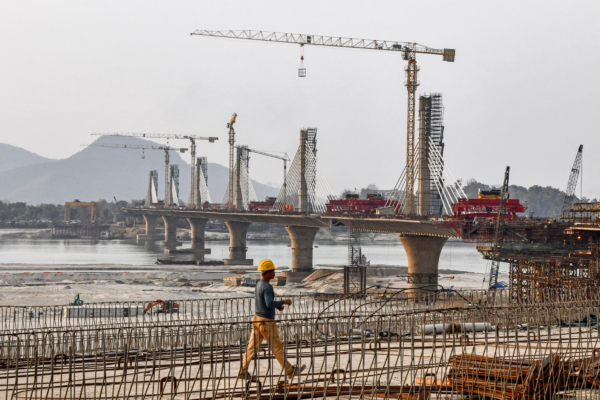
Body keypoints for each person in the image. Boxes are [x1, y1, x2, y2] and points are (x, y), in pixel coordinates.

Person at [238, 259, 306, 380]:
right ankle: (290, 371)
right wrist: (284, 301)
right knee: (277, 347)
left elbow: (264, 302)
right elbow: (269, 303)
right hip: (266, 322)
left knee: (251, 347)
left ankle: (242, 371)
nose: (274, 273)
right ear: (268, 272)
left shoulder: (259, 284)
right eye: (273, 271)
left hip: (257, 319)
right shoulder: (267, 286)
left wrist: (277, 306)